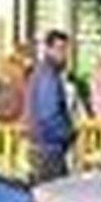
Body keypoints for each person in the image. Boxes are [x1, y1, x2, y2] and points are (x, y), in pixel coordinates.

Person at [25, 31, 76, 183]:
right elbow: (49, 115)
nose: (64, 55)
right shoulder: (47, 76)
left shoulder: (45, 73)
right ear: (48, 49)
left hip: (45, 146)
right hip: (48, 148)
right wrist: (67, 133)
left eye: (66, 50)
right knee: (55, 192)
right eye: (60, 49)